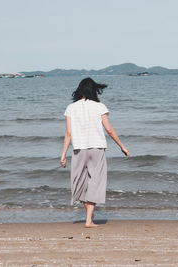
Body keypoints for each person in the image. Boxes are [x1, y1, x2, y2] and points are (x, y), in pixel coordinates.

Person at [60, 77, 129, 228]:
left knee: (80, 184)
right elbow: (109, 130)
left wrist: (63, 154)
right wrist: (122, 146)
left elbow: (68, 133)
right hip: (97, 148)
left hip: (79, 149)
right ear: (94, 90)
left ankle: (89, 218)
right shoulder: (100, 106)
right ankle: (89, 220)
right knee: (95, 183)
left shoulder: (71, 108)